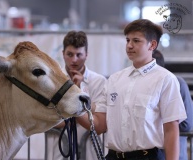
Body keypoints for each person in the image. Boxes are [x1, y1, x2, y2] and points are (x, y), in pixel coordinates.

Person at [77, 19, 187, 160]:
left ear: (152, 45)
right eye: (127, 40)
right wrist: (76, 110)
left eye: (136, 41)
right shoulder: (114, 79)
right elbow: (99, 126)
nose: (129, 45)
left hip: (148, 156)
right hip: (113, 156)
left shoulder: (165, 79)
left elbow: (171, 129)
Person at [45, 31, 107, 160]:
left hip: (91, 152)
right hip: (59, 151)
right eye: (70, 54)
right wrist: (89, 108)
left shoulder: (99, 81)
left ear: (86, 55)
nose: (74, 60)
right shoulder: (52, 80)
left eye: (79, 55)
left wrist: (76, 96)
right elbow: (47, 118)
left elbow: (100, 123)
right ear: (63, 54)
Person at [152, 49, 193, 160]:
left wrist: (157, 122)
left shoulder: (178, 83)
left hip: (174, 152)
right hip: (151, 153)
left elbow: (187, 124)